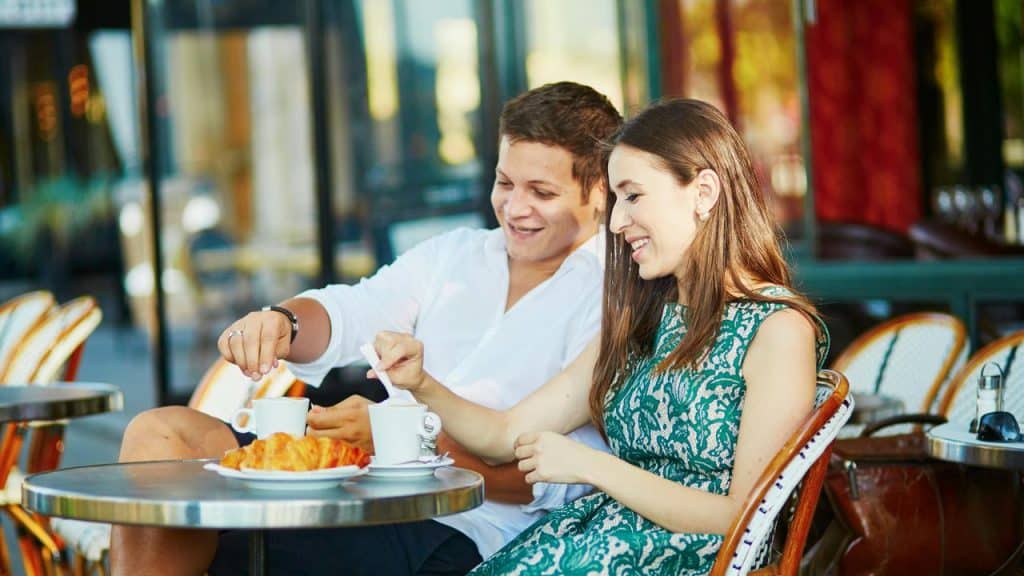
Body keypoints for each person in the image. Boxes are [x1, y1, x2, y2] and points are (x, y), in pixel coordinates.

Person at [109, 81, 622, 576]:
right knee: (160, 437)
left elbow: (560, 479)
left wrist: (395, 444)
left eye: (541, 192)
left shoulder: (611, 297)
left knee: (241, 550)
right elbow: (355, 308)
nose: (514, 208)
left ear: (599, 191)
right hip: (361, 480)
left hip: (464, 527)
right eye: (505, 183)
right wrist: (281, 322)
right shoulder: (459, 254)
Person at [370, 98, 829, 575]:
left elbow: (744, 516)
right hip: (593, 546)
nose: (616, 223)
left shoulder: (775, 329)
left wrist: (592, 467)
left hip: (674, 563)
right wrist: (421, 384)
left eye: (633, 196)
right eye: (615, 201)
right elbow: (503, 435)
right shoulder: (643, 324)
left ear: (704, 191)